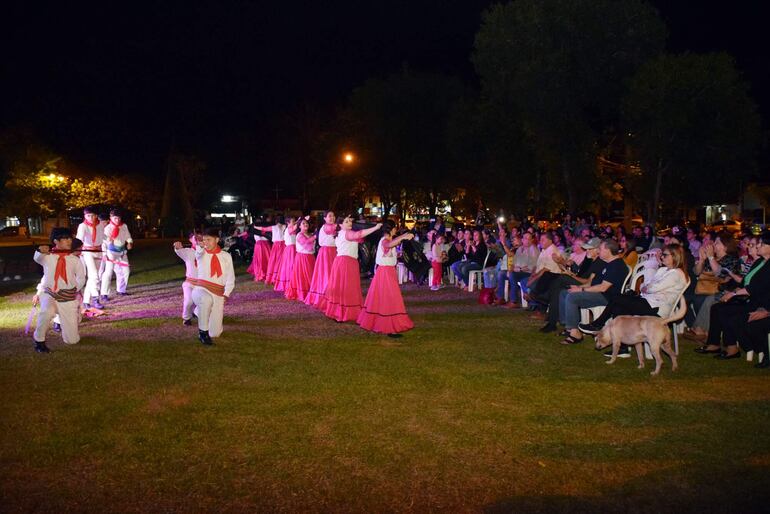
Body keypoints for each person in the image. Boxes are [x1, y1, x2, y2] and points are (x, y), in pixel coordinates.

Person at [579, 243, 689, 355]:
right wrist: (647, 286)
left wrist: (647, 287)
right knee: (619, 305)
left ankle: (598, 324)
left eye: (665, 255)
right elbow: (646, 286)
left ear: (675, 256)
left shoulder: (676, 274)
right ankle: (622, 348)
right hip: (648, 302)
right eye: (662, 255)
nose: (661, 257)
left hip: (656, 309)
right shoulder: (664, 270)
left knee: (617, 298)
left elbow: (652, 287)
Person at [694, 232, 770, 360]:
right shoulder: (760, 263)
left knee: (724, 310)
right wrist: (736, 288)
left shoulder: (763, 264)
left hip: (756, 302)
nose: (753, 247)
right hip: (749, 298)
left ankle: (733, 348)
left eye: (757, 244)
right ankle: (714, 343)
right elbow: (747, 281)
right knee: (718, 308)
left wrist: (734, 292)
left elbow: (755, 287)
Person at [559, 239, 629, 345]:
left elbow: (603, 288)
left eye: (600, 249)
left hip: (606, 297)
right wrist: (578, 287)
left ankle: (575, 334)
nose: (598, 251)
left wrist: (581, 290)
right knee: (566, 292)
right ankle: (570, 327)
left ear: (608, 250)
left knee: (572, 297)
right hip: (598, 293)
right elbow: (591, 283)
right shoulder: (607, 263)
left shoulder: (616, 265)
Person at [318, 215, 381, 322]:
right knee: (346, 288)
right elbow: (359, 234)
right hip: (346, 263)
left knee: (344, 287)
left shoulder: (343, 233)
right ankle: (341, 313)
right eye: (346, 222)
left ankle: (339, 312)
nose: (350, 223)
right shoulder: (346, 233)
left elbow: (360, 237)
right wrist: (375, 228)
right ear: (340, 225)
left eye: (350, 221)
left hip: (345, 262)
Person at [32, 228, 86, 353]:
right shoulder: (47, 257)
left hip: (67, 297)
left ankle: (65, 328)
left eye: (70, 238)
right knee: (46, 313)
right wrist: (39, 250)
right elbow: (37, 258)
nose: (69, 241)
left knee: (72, 340)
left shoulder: (74, 260)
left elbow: (81, 278)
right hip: (50, 294)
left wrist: (73, 290)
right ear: (56, 241)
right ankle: (39, 341)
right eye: (65, 238)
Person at [357, 221, 416, 336]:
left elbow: (390, 246)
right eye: (395, 228)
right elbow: (388, 245)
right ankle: (389, 327)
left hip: (387, 271)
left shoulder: (387, 240)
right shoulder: (385, 240)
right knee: (389, 298)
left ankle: (386, 324)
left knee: (384, 298)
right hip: (385, 273)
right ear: (391, 229)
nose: (396, 230)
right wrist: (403, 236)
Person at [539, 237, 603, 333]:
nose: (587, 251)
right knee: (556, 285)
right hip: (581, 281)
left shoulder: (599, 262)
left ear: (598, 250)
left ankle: (546, 303)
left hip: (589, 286)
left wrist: (571, 276)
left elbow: (587, 282)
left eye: (590, 249)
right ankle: (558, 321)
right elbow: (581, 275)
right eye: (587, 249)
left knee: (559, 280)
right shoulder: (590, 260)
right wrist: (570, 272)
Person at [192, 228, 235, 345]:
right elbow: (199, 252)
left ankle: (198, 311)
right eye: (204, 239)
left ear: (217, 239)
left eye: (208, 239)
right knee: (206, 300)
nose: (205, 242)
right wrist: (199, 246)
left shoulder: (226, 256)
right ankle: (202, 333)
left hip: (218, 293)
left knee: (215, 333)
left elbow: (230, 277)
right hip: (200, 290)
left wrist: (226, 294)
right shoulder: (202, 253)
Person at [305, 211, 338, 307]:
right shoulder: (326, 227)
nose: (332, 218)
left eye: (333, 216)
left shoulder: (331, 227)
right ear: (324, 218)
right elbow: (332, 228)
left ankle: (333, 294)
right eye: (329, 216)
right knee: (326, 274)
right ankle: (326, 295)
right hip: (326, 253)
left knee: (333, 274)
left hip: (334, 252)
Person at [100, 208, 133, 302]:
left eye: (118, 218)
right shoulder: (108, 228)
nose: (117, 220)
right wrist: (104, 254)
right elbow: (104, 242)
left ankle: (121, 290)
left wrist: (129, 242)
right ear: (111, 218)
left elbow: (128, 236)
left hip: (122, 252)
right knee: (108, 272)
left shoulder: (124, 226)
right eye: (115, 218)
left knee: (126, 270)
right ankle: (104, 293)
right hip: (111, 252)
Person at [75, 206, 104, 309]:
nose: (90, 218)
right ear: (85, 216)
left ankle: (86, 301)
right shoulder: (82, 226)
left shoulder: (100, 225)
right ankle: (96, 299)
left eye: (92, 215)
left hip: (99, 251)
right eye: (88, 216)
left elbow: (104, 238)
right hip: (87, 252)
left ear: (96, 216)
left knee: (93, 277)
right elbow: (79, 240)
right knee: (94, 276)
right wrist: (78, 251)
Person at [173, 231, 201, 326]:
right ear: (190, 240)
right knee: (189, 301)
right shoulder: (188, 252)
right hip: (190, 283)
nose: (198, 238)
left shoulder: (206, 252)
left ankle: (196, 312)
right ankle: (186, 318)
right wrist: (177, 247)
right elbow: (180, 251)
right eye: (195, 237)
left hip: (202, 285)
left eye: (200, 237)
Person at [286, 217, 316, 301]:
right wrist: (315, 236)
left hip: (311, 258)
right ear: (299, 226)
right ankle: (303, 293)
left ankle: (312, 292)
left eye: (306, 223)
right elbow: (307, 244)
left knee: (311, 275)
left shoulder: (311, 234)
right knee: (304, 276)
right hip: (302, 258)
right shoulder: (299, 235)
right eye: (303, 223)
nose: (306, 224)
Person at [260, 216, 286, 285]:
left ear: (276, 221)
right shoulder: (285, 226)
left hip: (277, 245)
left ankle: (274, 277)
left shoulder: (274, 227)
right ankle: (279, 276)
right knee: (281, 261)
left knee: (274, 261)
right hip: (283, 245)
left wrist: (255, 227)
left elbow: (263, 228)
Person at [274, 217, 298, 292]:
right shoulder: (288, 229)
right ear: (288, 223)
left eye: (294, 221)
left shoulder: (291, 229)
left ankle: (293, 281)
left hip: (294, 248)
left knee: (294, 265)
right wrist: (302, 219)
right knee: (290, 265)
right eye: (292, 221)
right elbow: (296, 226)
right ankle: (289, 282)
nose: (294, 222)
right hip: (290, 250)